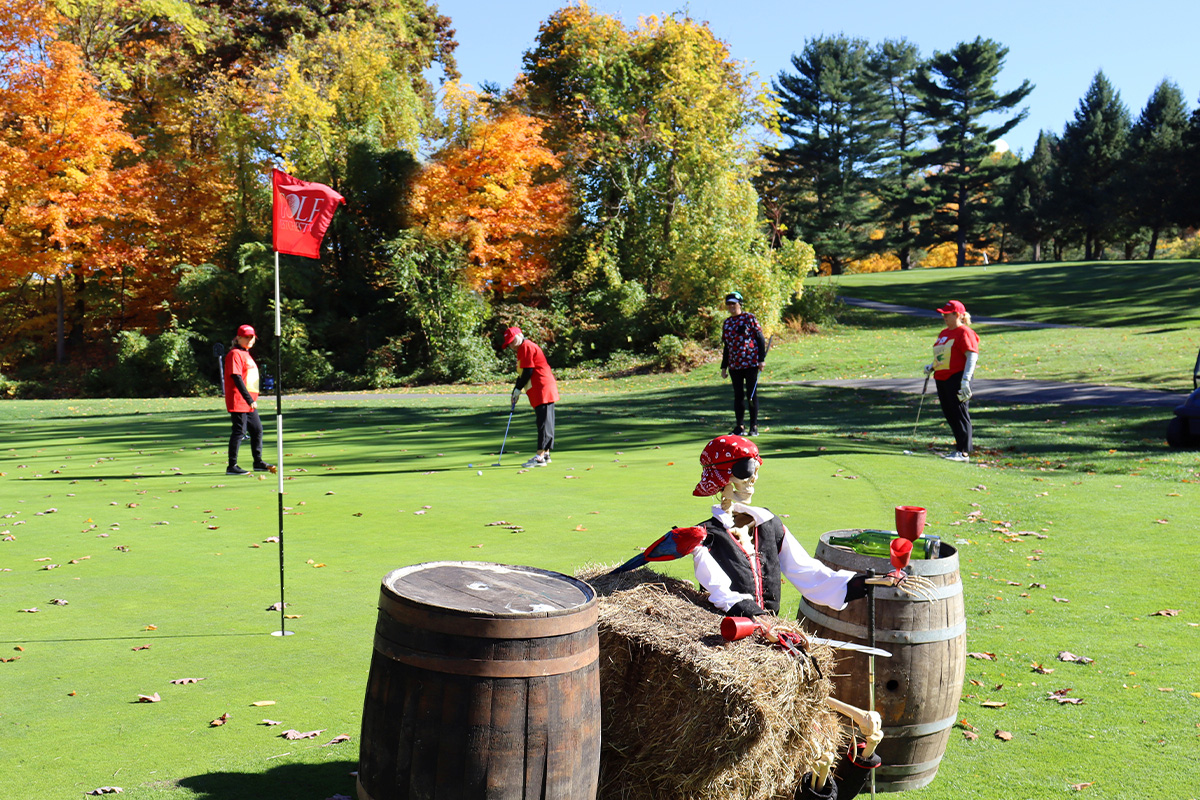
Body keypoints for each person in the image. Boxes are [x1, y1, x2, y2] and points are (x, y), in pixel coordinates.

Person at [926, 300, 979, 462]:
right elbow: (943, 355)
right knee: (950, 414)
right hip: (942, 378)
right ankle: (958, 449)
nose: (944, 317)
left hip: (958, 377)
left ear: (957, 315)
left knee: (959, 414)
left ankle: (963, 452)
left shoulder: (965, 332)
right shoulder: (944, 333)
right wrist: (932, 366)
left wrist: (965, 380)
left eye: (946, 314)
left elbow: (972, 356)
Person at [502, 326, 559, 468]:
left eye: (513, 340)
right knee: (545, 420)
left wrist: (518, 389)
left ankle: (540, 456)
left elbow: (528, 371)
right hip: (539, 388)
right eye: (509, 343)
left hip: (542, 387)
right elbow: (523, 373)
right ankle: (545, 454)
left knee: (544, 422)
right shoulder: (522, 349)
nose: (512, 344)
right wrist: (516, 389)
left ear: (520, 335)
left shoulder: (526, 346)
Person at [223, 324, 273, 476]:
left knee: (257, 430)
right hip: (239, 399)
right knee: (239, 431)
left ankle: (258, 462)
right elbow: (236, 377)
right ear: (238, 338)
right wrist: (248, 398)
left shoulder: (246, 354)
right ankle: (232, 466)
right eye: (247, 337)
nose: (250, 340)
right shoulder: (235, 354)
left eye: (252, 338)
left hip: (249, 401)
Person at [720, 291, 767, 436]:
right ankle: (740, 426)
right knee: (738, 395)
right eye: (729, 304)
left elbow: (760, 339)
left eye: (734, 303)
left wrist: (761, 359)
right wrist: (724, 366)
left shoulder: (749, 318)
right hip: (735, 365)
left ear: (740, 304)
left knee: (751, 395)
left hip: (751, 363)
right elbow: (727, 346)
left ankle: (754, 426)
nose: (731, 306)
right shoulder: (727, 323)